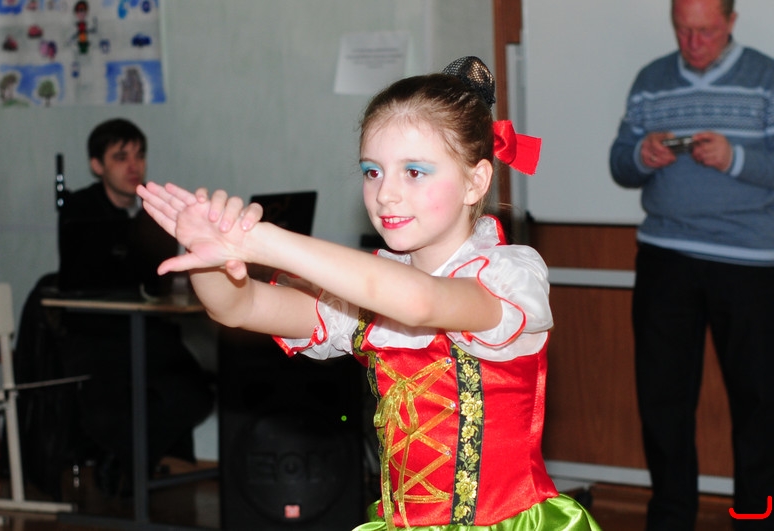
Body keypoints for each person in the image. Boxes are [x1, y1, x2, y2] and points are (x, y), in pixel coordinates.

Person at [138, 57, 601, 530]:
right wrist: (208, 256)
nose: (385, 194)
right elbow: (241, 306)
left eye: (414, 172)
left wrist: (261, 240)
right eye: (372, 171)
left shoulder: (507, 276)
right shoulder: (370, 290)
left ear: (475, 181)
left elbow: (420, 302)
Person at [609, 1, 774, 529]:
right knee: (663, 398)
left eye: (705, 31)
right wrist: (642, 156)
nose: (693, 43)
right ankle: (671, 517)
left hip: (750, 262)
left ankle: (756, 517)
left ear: (731, 22)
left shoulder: (765, 78)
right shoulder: (651, 80)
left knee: (759, 399)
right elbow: (619, 163)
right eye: (683, 30)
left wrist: (735, 158)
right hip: (665, 256)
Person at [56, 118, 214, 496]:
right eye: (121, 156)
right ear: (97, 165)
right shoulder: (80, 209)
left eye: (139, 155)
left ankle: (126, 461)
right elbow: (82, 278)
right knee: (108, 407)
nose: (134, 166)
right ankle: (130, 464)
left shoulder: (151, 211)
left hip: (147, 329)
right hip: (97, 335)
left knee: (195, 395)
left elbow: (155, 280)